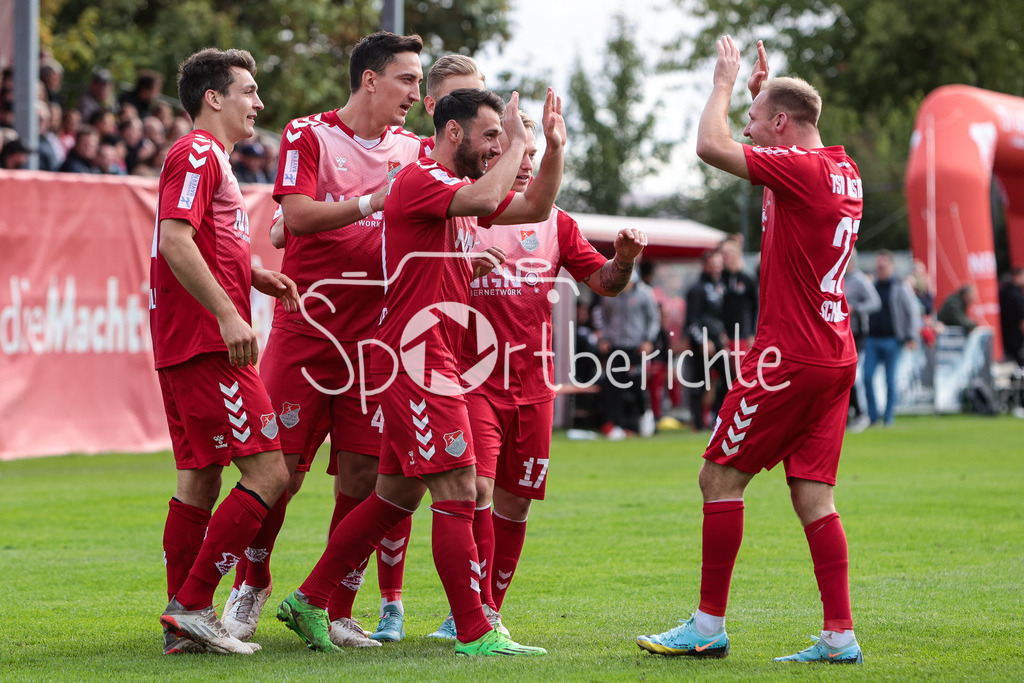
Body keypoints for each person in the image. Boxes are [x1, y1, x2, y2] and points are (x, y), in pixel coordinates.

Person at [276, 86, 563, 657]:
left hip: (431, 358)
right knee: (458, 485)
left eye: (499, 141)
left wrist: (550, 148)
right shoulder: (422, 178)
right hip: (416, 359)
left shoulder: (453, 189)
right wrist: (520, 143)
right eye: (488, 137)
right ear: (452, 133)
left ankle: (308, 600)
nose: (495, 149)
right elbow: (487, 201)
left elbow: (534, 207)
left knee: (394, 498)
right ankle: (476, 631)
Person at [637, 37, 865, 664]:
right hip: (834, 352)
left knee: (718, 478)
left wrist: (726, 82)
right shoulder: (840, 169)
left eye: (756, 121)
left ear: (783, 125)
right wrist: (766, 96)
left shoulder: (804, 170)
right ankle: (839, 635)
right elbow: (777, 165)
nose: (745, 127)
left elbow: (710, 146)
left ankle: (708, 625)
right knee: (814, 495)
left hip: (789, 355)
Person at [224, 31, 425, 648]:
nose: (415, 94)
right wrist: (372, 201)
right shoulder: (309, 134)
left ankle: (335, 607)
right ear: (370, 79)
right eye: (406, 80)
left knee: (363, 477)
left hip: (375, 340)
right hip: (307, 328)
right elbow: (298, 216)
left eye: (419, 82)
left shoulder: (416, 150)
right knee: (278, 471)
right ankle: (250, 587)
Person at [426, 110, 649, 638]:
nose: (524, 163)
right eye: (514, 150)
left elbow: (604, 282)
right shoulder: (464, 210)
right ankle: (472, 614)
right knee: (476, 488)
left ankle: (491, 609)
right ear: (489, 152)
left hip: (533, 386)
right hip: (471, 380)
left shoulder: (557, 222)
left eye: (531, 153)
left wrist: (624, 262)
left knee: (516, 502)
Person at [151, 47, 297, 655]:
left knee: (199, 479)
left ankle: (184, 628)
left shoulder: (214, 161)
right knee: (270, 472)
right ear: (214, 98)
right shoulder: (197, 153)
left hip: (187, 343)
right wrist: (229, 312)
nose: (258, 103)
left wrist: (251, 274)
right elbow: (174, 240)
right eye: (248, 90)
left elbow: (205, 242)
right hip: (209, 344)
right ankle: (192, 603)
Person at [597, 270, 660, 438]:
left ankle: (645, 415)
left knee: (637, 384)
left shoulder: (645, 294)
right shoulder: (609, 294)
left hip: (637, 347)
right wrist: (604, 337)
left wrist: (649, 340)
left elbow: (654, 319)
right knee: (613, 385)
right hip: (616, 346)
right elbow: (602, 317)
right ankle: (615, 424)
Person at [862, 250, 920, 426]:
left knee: (890, 380)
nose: (880, 269)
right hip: (872, 339)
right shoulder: (871, 286)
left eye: (883, 266)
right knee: (866, 377)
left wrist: (911, 336)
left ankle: (888, 417)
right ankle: (873, 417)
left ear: (892, 267)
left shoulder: (901, 286)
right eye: (878, 266)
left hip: (893, 339)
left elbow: (912, 312)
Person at [684, 249, 727, 430]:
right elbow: (692, 321)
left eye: (719, 264)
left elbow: (718, 316)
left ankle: (717, 415)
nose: (716, 267)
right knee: (699, 381)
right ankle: (698, 422)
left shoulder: (720, 286)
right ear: (705, 265)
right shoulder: (696, 289)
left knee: (728, 378)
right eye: (713, 264)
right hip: (701, 343)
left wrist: (722, 332)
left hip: (717, 341)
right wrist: (703, 340)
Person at [842, 248, 881, 432]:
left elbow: (875, 303)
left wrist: (855, 308)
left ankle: (861, 413)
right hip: (838, 335)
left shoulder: (860, 280)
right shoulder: (836, 279)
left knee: (854, 375)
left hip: (857, 335)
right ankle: (848, 413)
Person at [999, 267, 1024, 366]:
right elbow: (1021, 320)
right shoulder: (1016, 295)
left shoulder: (1002, 292)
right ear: (1017, 277)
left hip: (1004, 336)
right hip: (1015, 337)